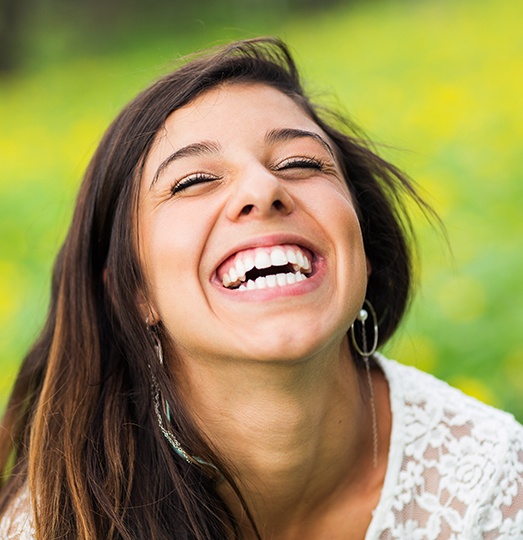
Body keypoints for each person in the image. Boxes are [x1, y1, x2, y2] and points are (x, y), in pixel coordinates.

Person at [0, 37, 522, 540]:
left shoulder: (494, 480)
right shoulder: (57, 523)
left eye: (300, 164)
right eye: (193, 181)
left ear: (361, 237)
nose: (263, 189)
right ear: (135, 293)